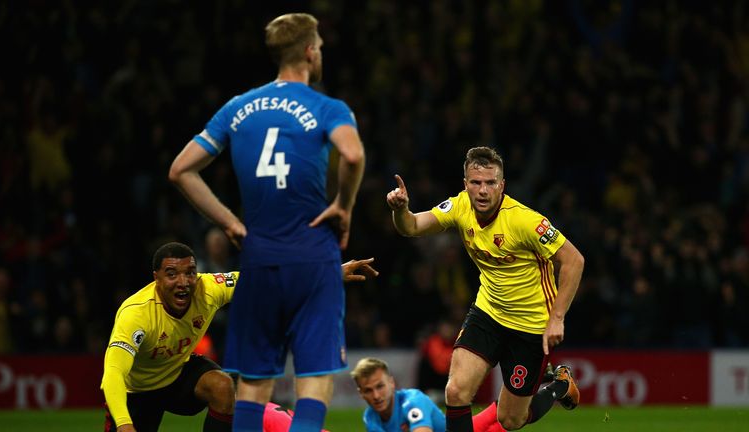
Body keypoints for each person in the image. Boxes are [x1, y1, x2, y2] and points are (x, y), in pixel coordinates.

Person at [168, 12, 365, 432]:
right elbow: (353, 155)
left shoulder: (237, 108)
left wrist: (229, 223)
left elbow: (181, 170)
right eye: (321, 49)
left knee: (254, 387)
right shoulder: (328, 107)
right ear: (310, 52)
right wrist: (344, 206)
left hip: (257, 260)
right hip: (313, 259)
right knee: (312, 382)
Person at [385, 146, 585, 432]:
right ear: (465, 184)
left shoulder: (525, 220)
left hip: (530, 325)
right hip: (488, 313)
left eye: (490, 183)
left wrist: (557, 317)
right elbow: (413, 226)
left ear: (502, 185)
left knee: (511, 419)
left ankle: (558, 387)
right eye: (476, 182)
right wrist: (401, 209)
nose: (482, 190)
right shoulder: (459, 206)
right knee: (455, 392)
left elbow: (574, 260)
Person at [101, 242, 378, 432]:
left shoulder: (208, 288)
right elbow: (113, 373)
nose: (183, 282)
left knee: (222, 386)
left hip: (176, 375)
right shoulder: (135, 314)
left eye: (190, 273)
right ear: (156, 278)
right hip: (136, 391)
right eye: (172, 274)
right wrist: (124, 423)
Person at [350, 357, 503, 432]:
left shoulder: (412, 401)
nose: (376, 396)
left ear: (392, 383)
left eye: (380, 386)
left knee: (507, 414)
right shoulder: (370, 418)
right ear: (361, 393)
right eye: (368, 390)